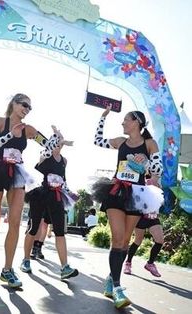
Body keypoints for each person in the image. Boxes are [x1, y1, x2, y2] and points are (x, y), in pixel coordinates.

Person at [0, 93, 59, 288]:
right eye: (24, 105)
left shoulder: (29, 129)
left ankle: (7, 270)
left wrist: (56, 137)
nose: (26, 109)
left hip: (17, 173)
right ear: (13, 103)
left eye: (29, 107)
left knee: (15, 221)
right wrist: (11, 134)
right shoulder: (0, 122)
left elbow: (48, 146)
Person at [92, 104, 163, 309]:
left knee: (124, 241)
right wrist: (102, 117)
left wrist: (145, 164)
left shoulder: (149, 143)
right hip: (116, 191)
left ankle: (110, 278)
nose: (123, 122)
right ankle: (117, 287)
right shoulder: (121, 141)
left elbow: (158, 168)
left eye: (126, 119)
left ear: (137, 123)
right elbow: (97, 140)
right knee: (116, 238)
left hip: (137, 194)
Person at [20, 127, 79, 280]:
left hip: (57, 196)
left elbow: (62, 180)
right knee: (34, 228)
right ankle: (26, 260)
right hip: (40, 194)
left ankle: (65, 267)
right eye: (57, 143)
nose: (59, 146)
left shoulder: (64, 161)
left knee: (60, 231)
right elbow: (47, 151)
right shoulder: (44, 156)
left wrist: (70, 192)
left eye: (61, 143)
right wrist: (58, 137)